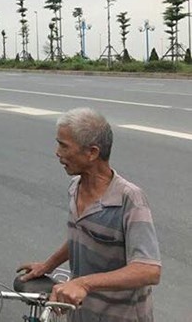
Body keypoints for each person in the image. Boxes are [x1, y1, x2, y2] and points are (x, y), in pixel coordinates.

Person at [18, 108, 161, 322]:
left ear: (92, 152)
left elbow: (148, 270)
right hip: (81, 314)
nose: (57, 152)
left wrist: (84, 283)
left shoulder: (129, 199)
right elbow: (83, 235)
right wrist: (48, 265)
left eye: (64, 145)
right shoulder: (75, 186)